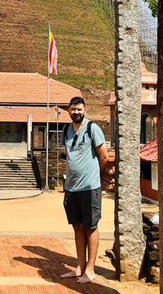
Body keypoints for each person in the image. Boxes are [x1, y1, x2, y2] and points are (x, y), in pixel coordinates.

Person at [59, 96, 108, 284]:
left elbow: (104, 157)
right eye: (73, 109)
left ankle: (90, 269)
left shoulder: (92, 128)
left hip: (89, 187)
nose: (76, 112)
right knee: (77, 227)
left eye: (79, 109)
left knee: (90, 227)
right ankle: (79, 266)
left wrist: (96, 177)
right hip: (71, 187)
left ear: (85, 110)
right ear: (69, 111)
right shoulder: (66, 130)